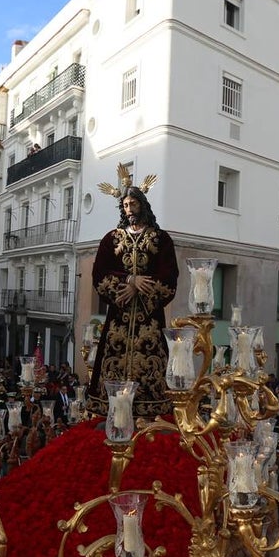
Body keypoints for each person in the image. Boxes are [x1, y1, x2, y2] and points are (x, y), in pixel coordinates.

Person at [87, 174, 179, 418]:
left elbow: (169, 277)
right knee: (113, 360)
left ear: (143, 205)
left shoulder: (160, 239)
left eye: (133, 204)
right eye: (126, 205)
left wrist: (139, 286)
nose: (129, 209)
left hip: (149, 320)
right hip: (119, 317)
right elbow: (99, 274)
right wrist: (127, 280)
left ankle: (151, 413)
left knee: (151, 361)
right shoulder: (112, 239)